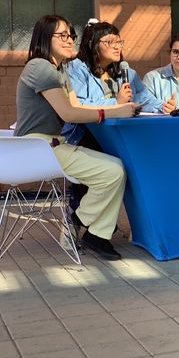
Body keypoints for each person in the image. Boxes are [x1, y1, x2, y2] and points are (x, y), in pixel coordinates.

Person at [14, 14, 138, 260]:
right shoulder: (40, 67)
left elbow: (79, 105)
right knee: (112, 171)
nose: (69, 39)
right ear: (44, 38)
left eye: (71, 34)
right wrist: (110, 112)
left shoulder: (59, 70)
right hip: (36, 150)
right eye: (62, 35)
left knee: (115, 168)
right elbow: (69, 113)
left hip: (52, 146)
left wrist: (116, 107)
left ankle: (96, 236)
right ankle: (78, 220)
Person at [63, 19, 164, 145]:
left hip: (122, 135)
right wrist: (117, 102)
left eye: (119, 42)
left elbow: (146, 99)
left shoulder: (127, 72)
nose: (117, 47)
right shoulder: (77, 68)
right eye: (110, 42)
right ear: (93, 44)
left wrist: (163, 107)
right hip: (88, 137)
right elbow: (79, 104)